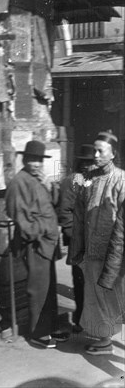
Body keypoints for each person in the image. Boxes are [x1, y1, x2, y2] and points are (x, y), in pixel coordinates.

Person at [5, 140, 69, 349]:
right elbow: (21, 219)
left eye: (39, 160)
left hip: (48, 242)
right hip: (35, 243)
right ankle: (37, 333)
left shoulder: (39, 179)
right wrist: (42, 230)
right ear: (24, 160)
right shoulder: (18, 182)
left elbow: (54, 204)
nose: (36, 164)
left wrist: (49, 185)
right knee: (38, 288)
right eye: (32, 159)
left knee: (49, 287)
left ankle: (49, 327)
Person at [68, 129, 125, 355]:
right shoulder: (88, 180)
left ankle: (107, 338)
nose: (96, 154)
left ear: (113, 154)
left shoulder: (121, 180)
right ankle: (105, 339)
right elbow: (79, 216)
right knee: (98, 298)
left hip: (114, 252)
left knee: (115, 296)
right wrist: (78, 249)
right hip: (92, 252)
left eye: (101, 150)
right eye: (95, 150)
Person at [58, 144, 94, 332]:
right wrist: (76, 237)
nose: (88, 166)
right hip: (79, 244)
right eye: (85, 162)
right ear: (79, 163)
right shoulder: (71, 182)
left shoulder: (96, 181)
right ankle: (80, 321)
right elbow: (64, 213)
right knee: (80, 283)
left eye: (91, 162)